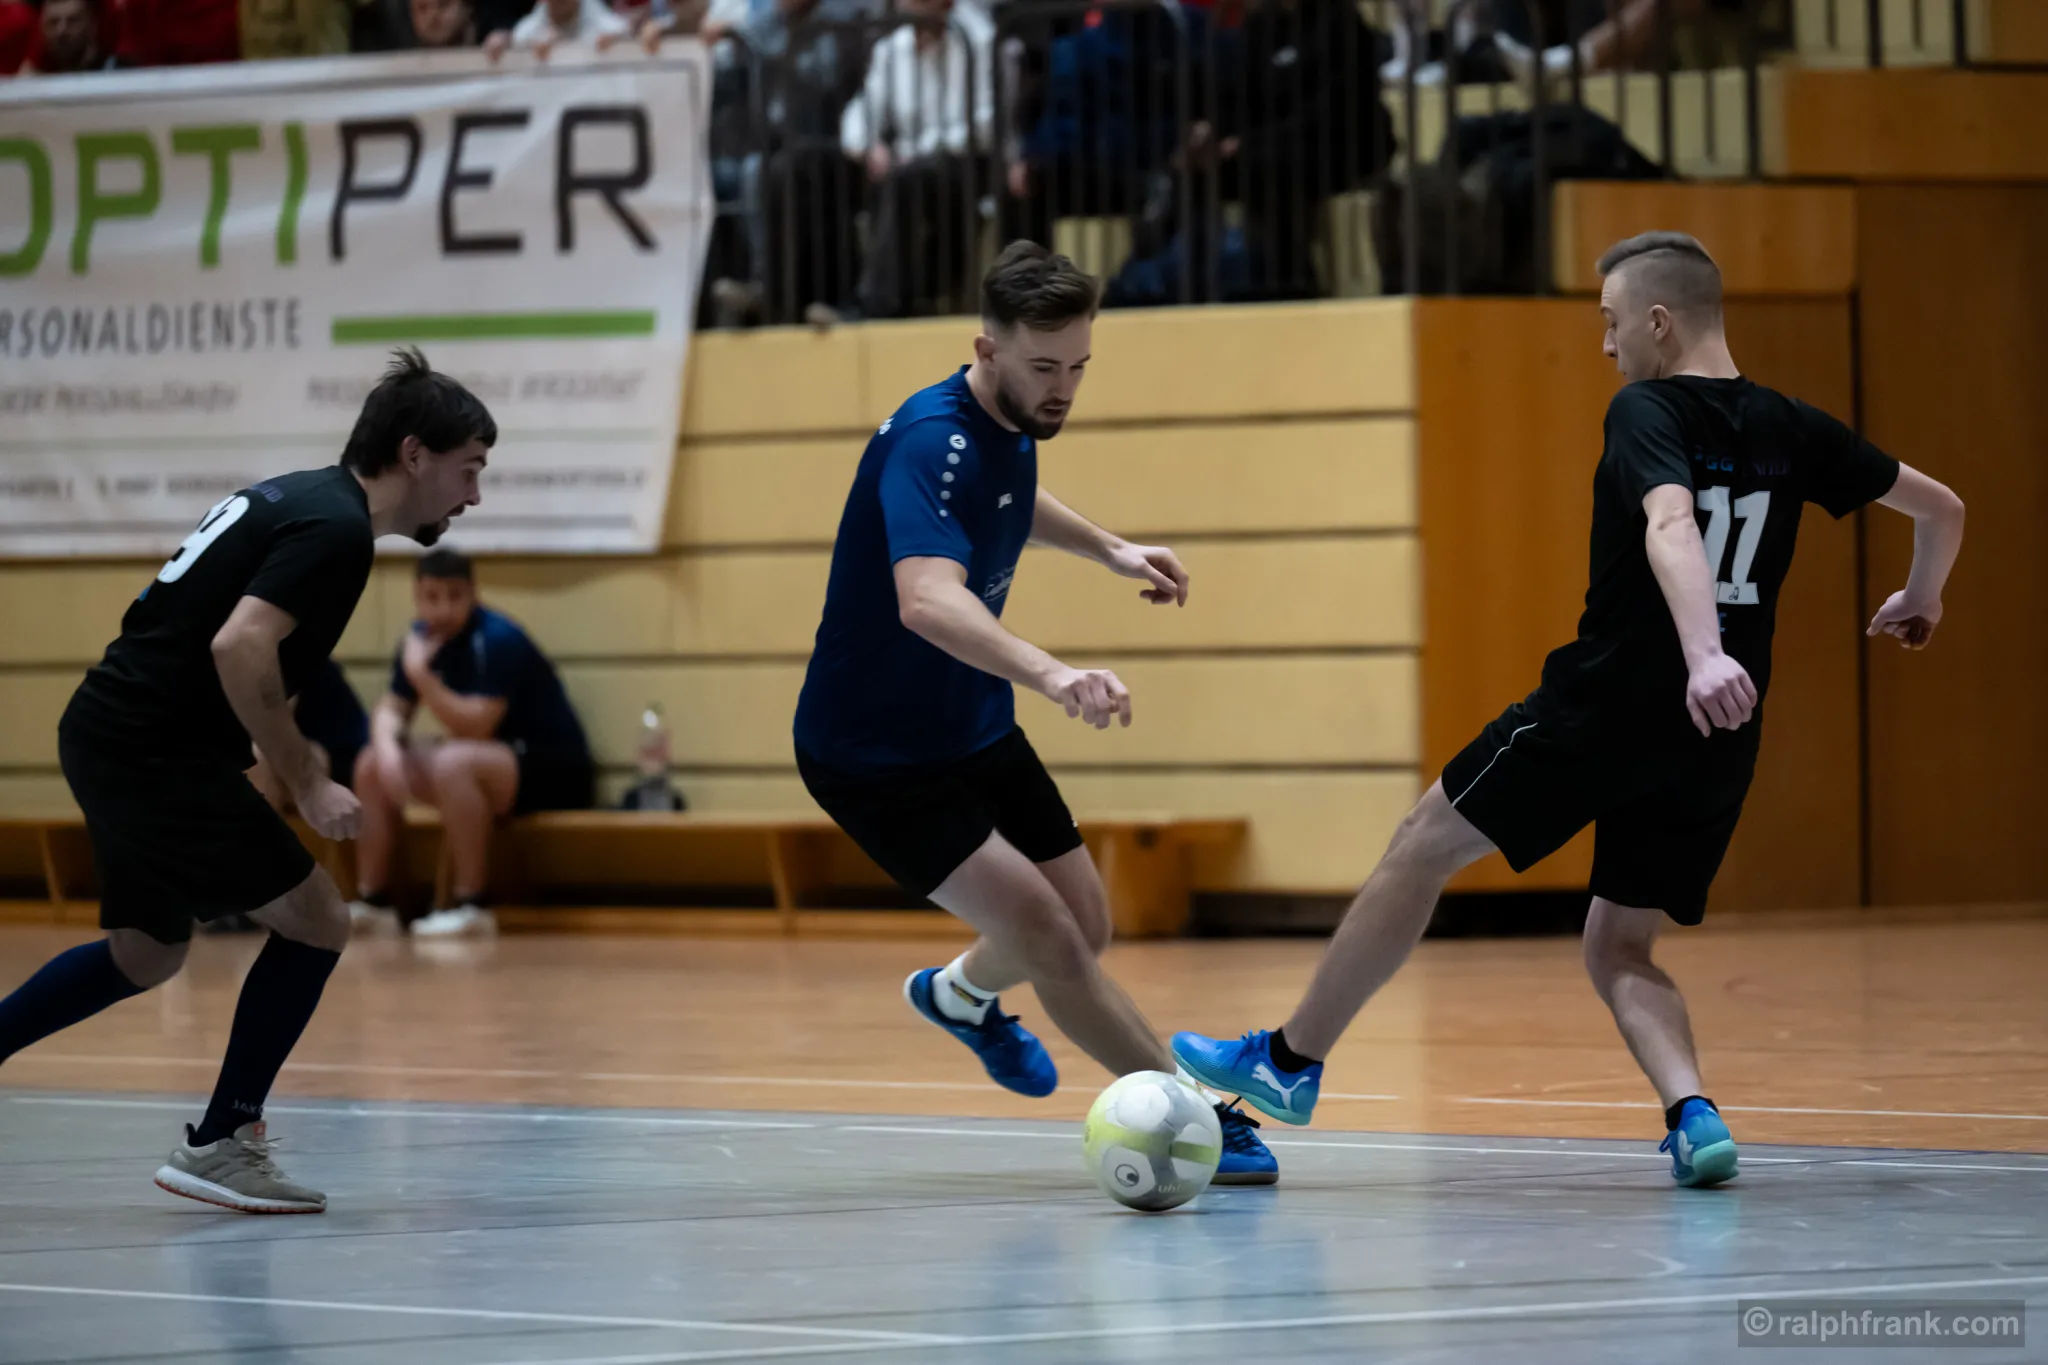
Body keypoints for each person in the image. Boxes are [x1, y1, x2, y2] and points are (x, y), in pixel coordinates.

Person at [1173, 231, 1966, 1188]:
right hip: (1718, 735)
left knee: (1421, 844)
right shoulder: (1794, 426)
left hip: (1608, 705)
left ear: (1659, 322)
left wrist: (1701, 653)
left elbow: (1671, 520)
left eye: (1612, 321)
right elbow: (1944, 509)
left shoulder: (1647, 409)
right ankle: (1694, 1116)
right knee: (1618, 942)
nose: (1606, 343)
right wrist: (1923, 595)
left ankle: (1288, 1061)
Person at [791, 240, 1277, 1184]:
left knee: (1085, 924)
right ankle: (1196, 1119)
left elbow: (1011, 495)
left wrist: (1111, 549)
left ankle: (958, 996)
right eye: (1046, 368)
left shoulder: (1006, 420)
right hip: (875, 754)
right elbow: (926, 599)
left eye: (1079, 367)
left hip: (969, 720)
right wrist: (1054, 675)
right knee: (1051, 937)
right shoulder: (931, 441)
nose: (1064, 390)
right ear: (987, 349)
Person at [0, 349, 493, 1214]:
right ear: (414, 455)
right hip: (154, 749)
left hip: (109, 730)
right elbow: (240, 645)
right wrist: (306, 779)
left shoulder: (301, 498)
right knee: (320, 918)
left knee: (146, 951)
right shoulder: (336, 529)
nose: (474, 496)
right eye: (470, 469)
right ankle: (225, 1140)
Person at [351, 549, 594, 939]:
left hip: (552, 768)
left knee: (453, 762)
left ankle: (472, 905)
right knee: (370, 765)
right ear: (417, 597)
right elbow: (392, 708)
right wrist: (388, 749)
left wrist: (422, 677)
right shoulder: (419, 641)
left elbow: (478, 725)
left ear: (473, 594)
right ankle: (375, 902)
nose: (443, 609)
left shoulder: (498, 638)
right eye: (432, 597)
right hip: (487, 764)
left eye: (455, 596)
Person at [839, 0, 994, 319]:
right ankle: (841, 299)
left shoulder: (980, 39)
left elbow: (985, 125)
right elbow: (861, 110)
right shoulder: (891, 49)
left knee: (908, 179)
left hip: (967, 165)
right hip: (907, 169)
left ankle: (876, 305)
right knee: (833, 173)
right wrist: (869, 147)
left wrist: (918, 153)